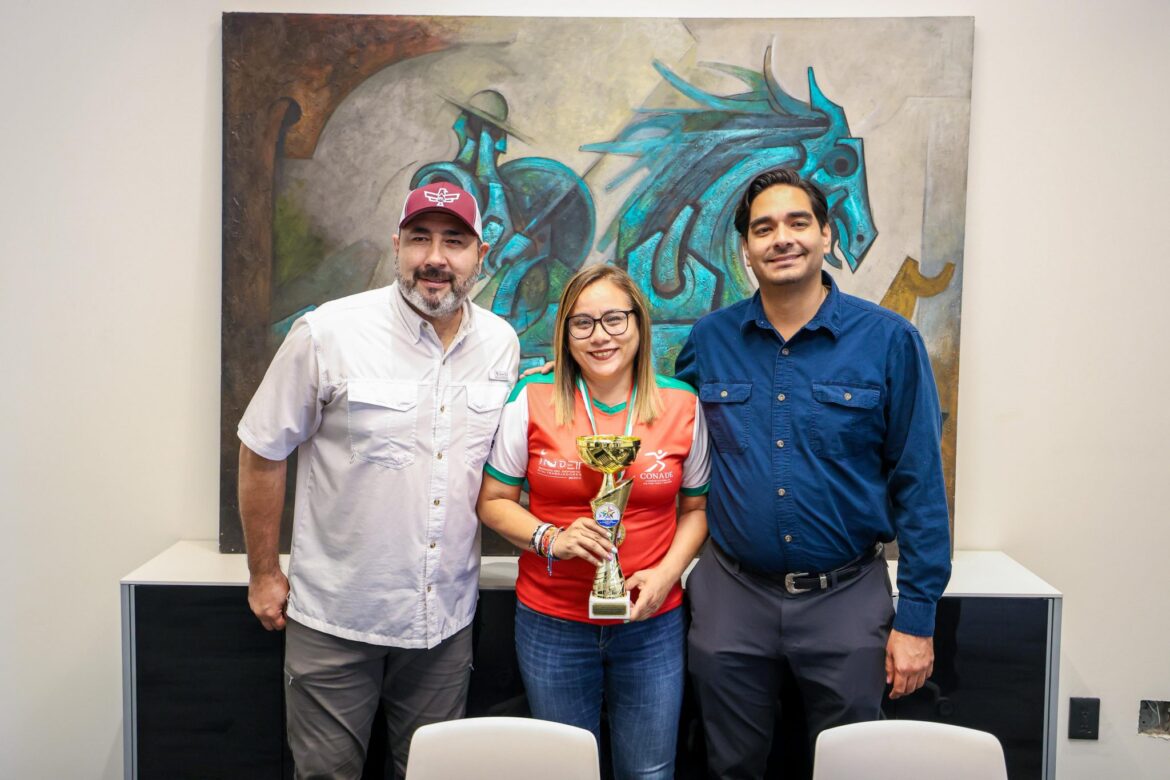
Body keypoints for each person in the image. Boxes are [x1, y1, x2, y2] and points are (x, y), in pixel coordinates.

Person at [675, 167, 952, 779]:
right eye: (763, 227)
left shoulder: (889, 341)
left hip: (846, 598)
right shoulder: (709, 341)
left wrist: (918, 621)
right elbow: (667, 452)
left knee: (851, 765)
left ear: (826, 235)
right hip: (731, 596)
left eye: (798, 222)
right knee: (728, 764)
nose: (782, 238)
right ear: (745, 247)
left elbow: (921, 489)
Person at [237, 181, 520, 779]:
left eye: (454, 241)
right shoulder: (328, 333)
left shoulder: (500, 343)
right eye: (420, 239)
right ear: (397, 245)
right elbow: (262, 449)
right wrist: (263, 572)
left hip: (444, 622)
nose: (435, 258)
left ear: (480, 254)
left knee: (431, 774)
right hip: (338, 617)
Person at [476, 264, 710, 780]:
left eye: (613, 320)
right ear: (565, 333)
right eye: (581, 323)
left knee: (649, 772)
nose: (599, 336)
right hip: (552, 620)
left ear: (638, 324)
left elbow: (697, 511)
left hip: (651, 622)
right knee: (564, 771)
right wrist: (549, 537)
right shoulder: (530, 398)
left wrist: (666, 577)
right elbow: (492, 500)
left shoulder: (683, 404)